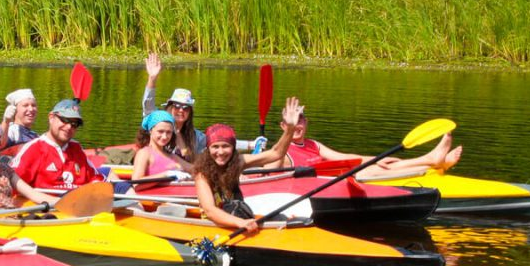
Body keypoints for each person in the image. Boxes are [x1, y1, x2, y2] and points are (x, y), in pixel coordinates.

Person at [195, 97, 303, 237]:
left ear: (233, 148)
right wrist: (240, 222)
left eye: (225, 146)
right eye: (215, 147)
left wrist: (290, 129)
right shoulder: (202, 174)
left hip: (236, 216)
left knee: (283, 218)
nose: (220, 152)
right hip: (215, 225)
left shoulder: (238, 161)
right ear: (208, 149)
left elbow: (276, 153)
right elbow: (209, 210)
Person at [267, 110, 463, 176]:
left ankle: (435, 160)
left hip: (340, 174)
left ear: (306, 123)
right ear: (283, 126)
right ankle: (431, 159)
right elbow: (270, 169)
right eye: (292, 122)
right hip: (328, 183)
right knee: (374, 169)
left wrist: (376, 158)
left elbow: (344, 158)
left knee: (381, 163)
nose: (297, 126)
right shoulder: (281, 152)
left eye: (300, 120)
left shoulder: (313, 144)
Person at [143, 53, 255, 158]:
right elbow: (148, 103)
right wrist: (152, 79)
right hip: (156, 166)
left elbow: (219, 141)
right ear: (170, 107)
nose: (181, 110)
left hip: (183, 171)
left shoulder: (195, 136)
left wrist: (251, 145)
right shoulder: (156, 121)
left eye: (186, 107)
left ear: (190, 112)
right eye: (177, 106)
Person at [9, 99, 107, 191]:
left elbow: (96, 178)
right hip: (46, 206)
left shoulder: (76, 148)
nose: (69, 127)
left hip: (79, 204)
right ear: (51, 118)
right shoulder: (34, 149)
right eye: (65, 120)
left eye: (74, 124)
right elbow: (12, 185)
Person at [131, 111, 194, 182]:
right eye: (160, 131)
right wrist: (167, 175)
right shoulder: (144, 153)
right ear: (150, 130)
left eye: (168, 132)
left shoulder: (172, 156)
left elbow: (196, 169)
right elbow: (136, 183)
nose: (164, 137)